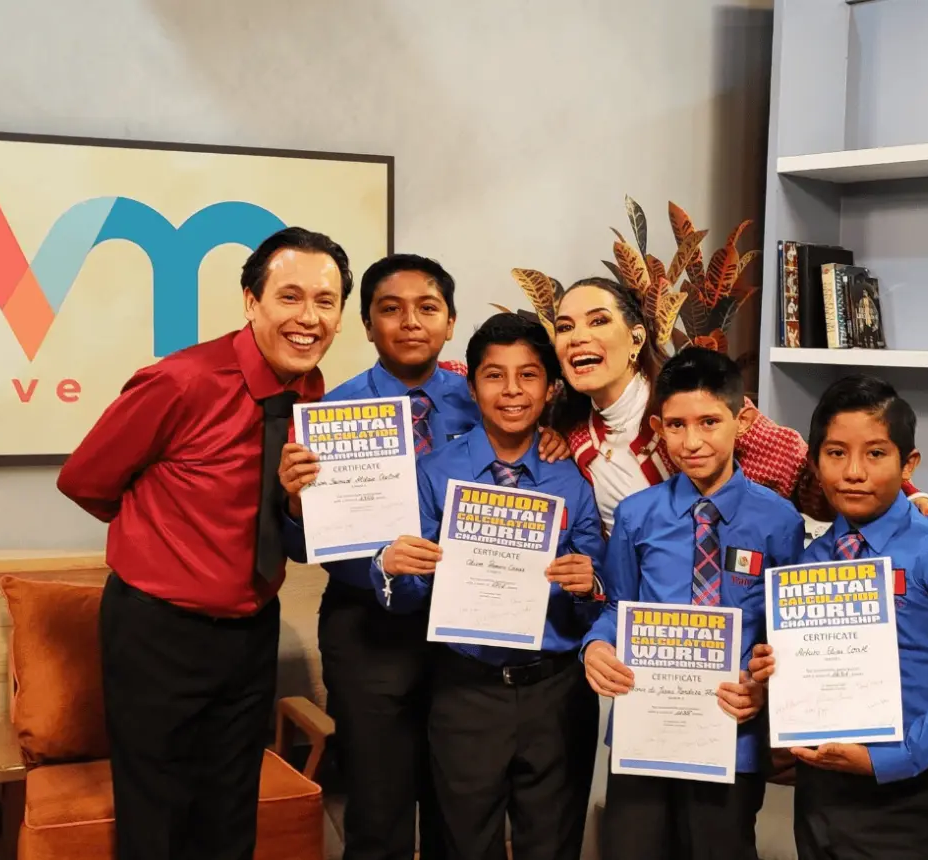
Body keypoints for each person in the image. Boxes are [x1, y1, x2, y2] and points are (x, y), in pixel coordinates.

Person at [56, 226, 352, 860]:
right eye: (290, 296)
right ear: (251, 301)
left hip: (251, 626)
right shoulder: (181, 381)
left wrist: (296, 499)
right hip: (157, 630)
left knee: (229, 808)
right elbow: (85, 480)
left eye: (325, 302)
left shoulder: (311, 390)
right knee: (156, 814)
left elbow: (289, 517)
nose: (308, 318)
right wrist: (159, 539)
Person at [277, 255, 569, 860]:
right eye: (391, 308)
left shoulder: (485, 394)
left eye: (427, 308)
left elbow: (534, 452)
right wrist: (299, 504)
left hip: (469, 641)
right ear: (366, 325)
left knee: (459, 809)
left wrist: (552, 433)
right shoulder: (331, 414)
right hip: (372, 633)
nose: (410, 322)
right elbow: (306, 549)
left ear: (450, 321)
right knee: (378, 809)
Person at [369, 312, 606, 860]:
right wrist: (394, 565)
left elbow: (596, 594)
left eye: (528, 376)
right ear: (471, 385)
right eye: (495, 376)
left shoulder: (573, 477)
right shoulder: (432, 474)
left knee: (552, 843)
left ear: (550, 389)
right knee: (461, 842)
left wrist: (586, 581)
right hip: (466, 689)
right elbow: (410, 597)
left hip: (556, 691)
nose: (512, 391)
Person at [749, 375, 928, 860]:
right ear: (813, 462)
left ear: (907, 463)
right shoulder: (809, 565)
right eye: (835, 453)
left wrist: (888, 759)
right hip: (820, 792)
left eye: (874, 453)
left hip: (913, 797)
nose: (853, 472)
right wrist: (773, 671)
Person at [581, 347, 806, 860]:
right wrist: (596, 646)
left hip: (733, 733)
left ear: (742, 419)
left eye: (709, 422)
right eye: (677, 425)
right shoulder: (639, 515)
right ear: (658, 427)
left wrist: (764, 687)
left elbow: (786, 632)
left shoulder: (778, 521)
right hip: (646, 729)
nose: (692, 441)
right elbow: (618, 606)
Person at [548, 277, 928, 532]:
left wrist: (912, 497)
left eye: (598, 321)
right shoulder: (571, 428)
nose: (578, 336)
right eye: (565, 327)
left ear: (636, 338)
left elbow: (814, 475)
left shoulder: (699, 403)